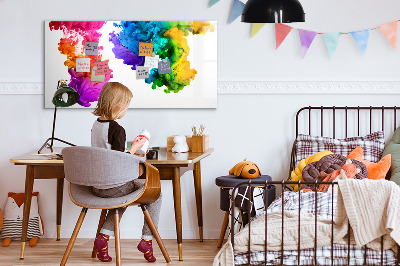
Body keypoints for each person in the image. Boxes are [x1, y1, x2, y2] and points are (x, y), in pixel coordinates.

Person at [91, 82, 161, 263]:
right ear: (117, 105)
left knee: (121, 197)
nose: (126, 110)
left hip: (97, 186)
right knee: (156, 194)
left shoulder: (96, 125)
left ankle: (103, 238)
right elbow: (119, 161)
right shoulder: (117, 129)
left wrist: (131, 149)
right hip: (114, 186)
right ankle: (147, 240)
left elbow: (108, 154)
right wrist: (136, 148)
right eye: (126, 106)